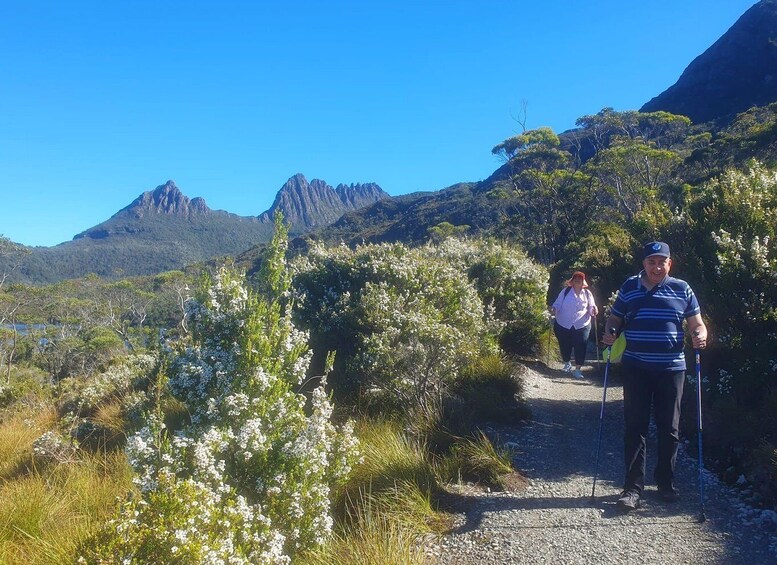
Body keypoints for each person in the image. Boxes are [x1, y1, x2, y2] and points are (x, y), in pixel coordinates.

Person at [602, 241, 707, 511]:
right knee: (635, 427)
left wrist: (700, 335)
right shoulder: (629, 287)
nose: (656, 267)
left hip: (671, 368)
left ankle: (666, 483)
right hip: (636, 366)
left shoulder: (682, 289)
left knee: (669, 428)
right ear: (644, 264)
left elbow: (697, 324)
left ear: (669, 264)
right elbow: (615, 318)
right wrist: (611, 331)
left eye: (662, 262)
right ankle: (633, 489)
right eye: (651, 262)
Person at [551, 271, 598, 379]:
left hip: (582, 324)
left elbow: (591, 306)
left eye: (580, 278)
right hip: (563, 322)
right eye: (575, 278)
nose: (577, 279)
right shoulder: (565, 291)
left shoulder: (587, 293)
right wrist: (554, 309)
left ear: (583, 282)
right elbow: (557, 304)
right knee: (564, 344)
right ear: (572, 280)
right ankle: (567, 363)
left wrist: (593, 310)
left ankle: (577, 369)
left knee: (581, 344)